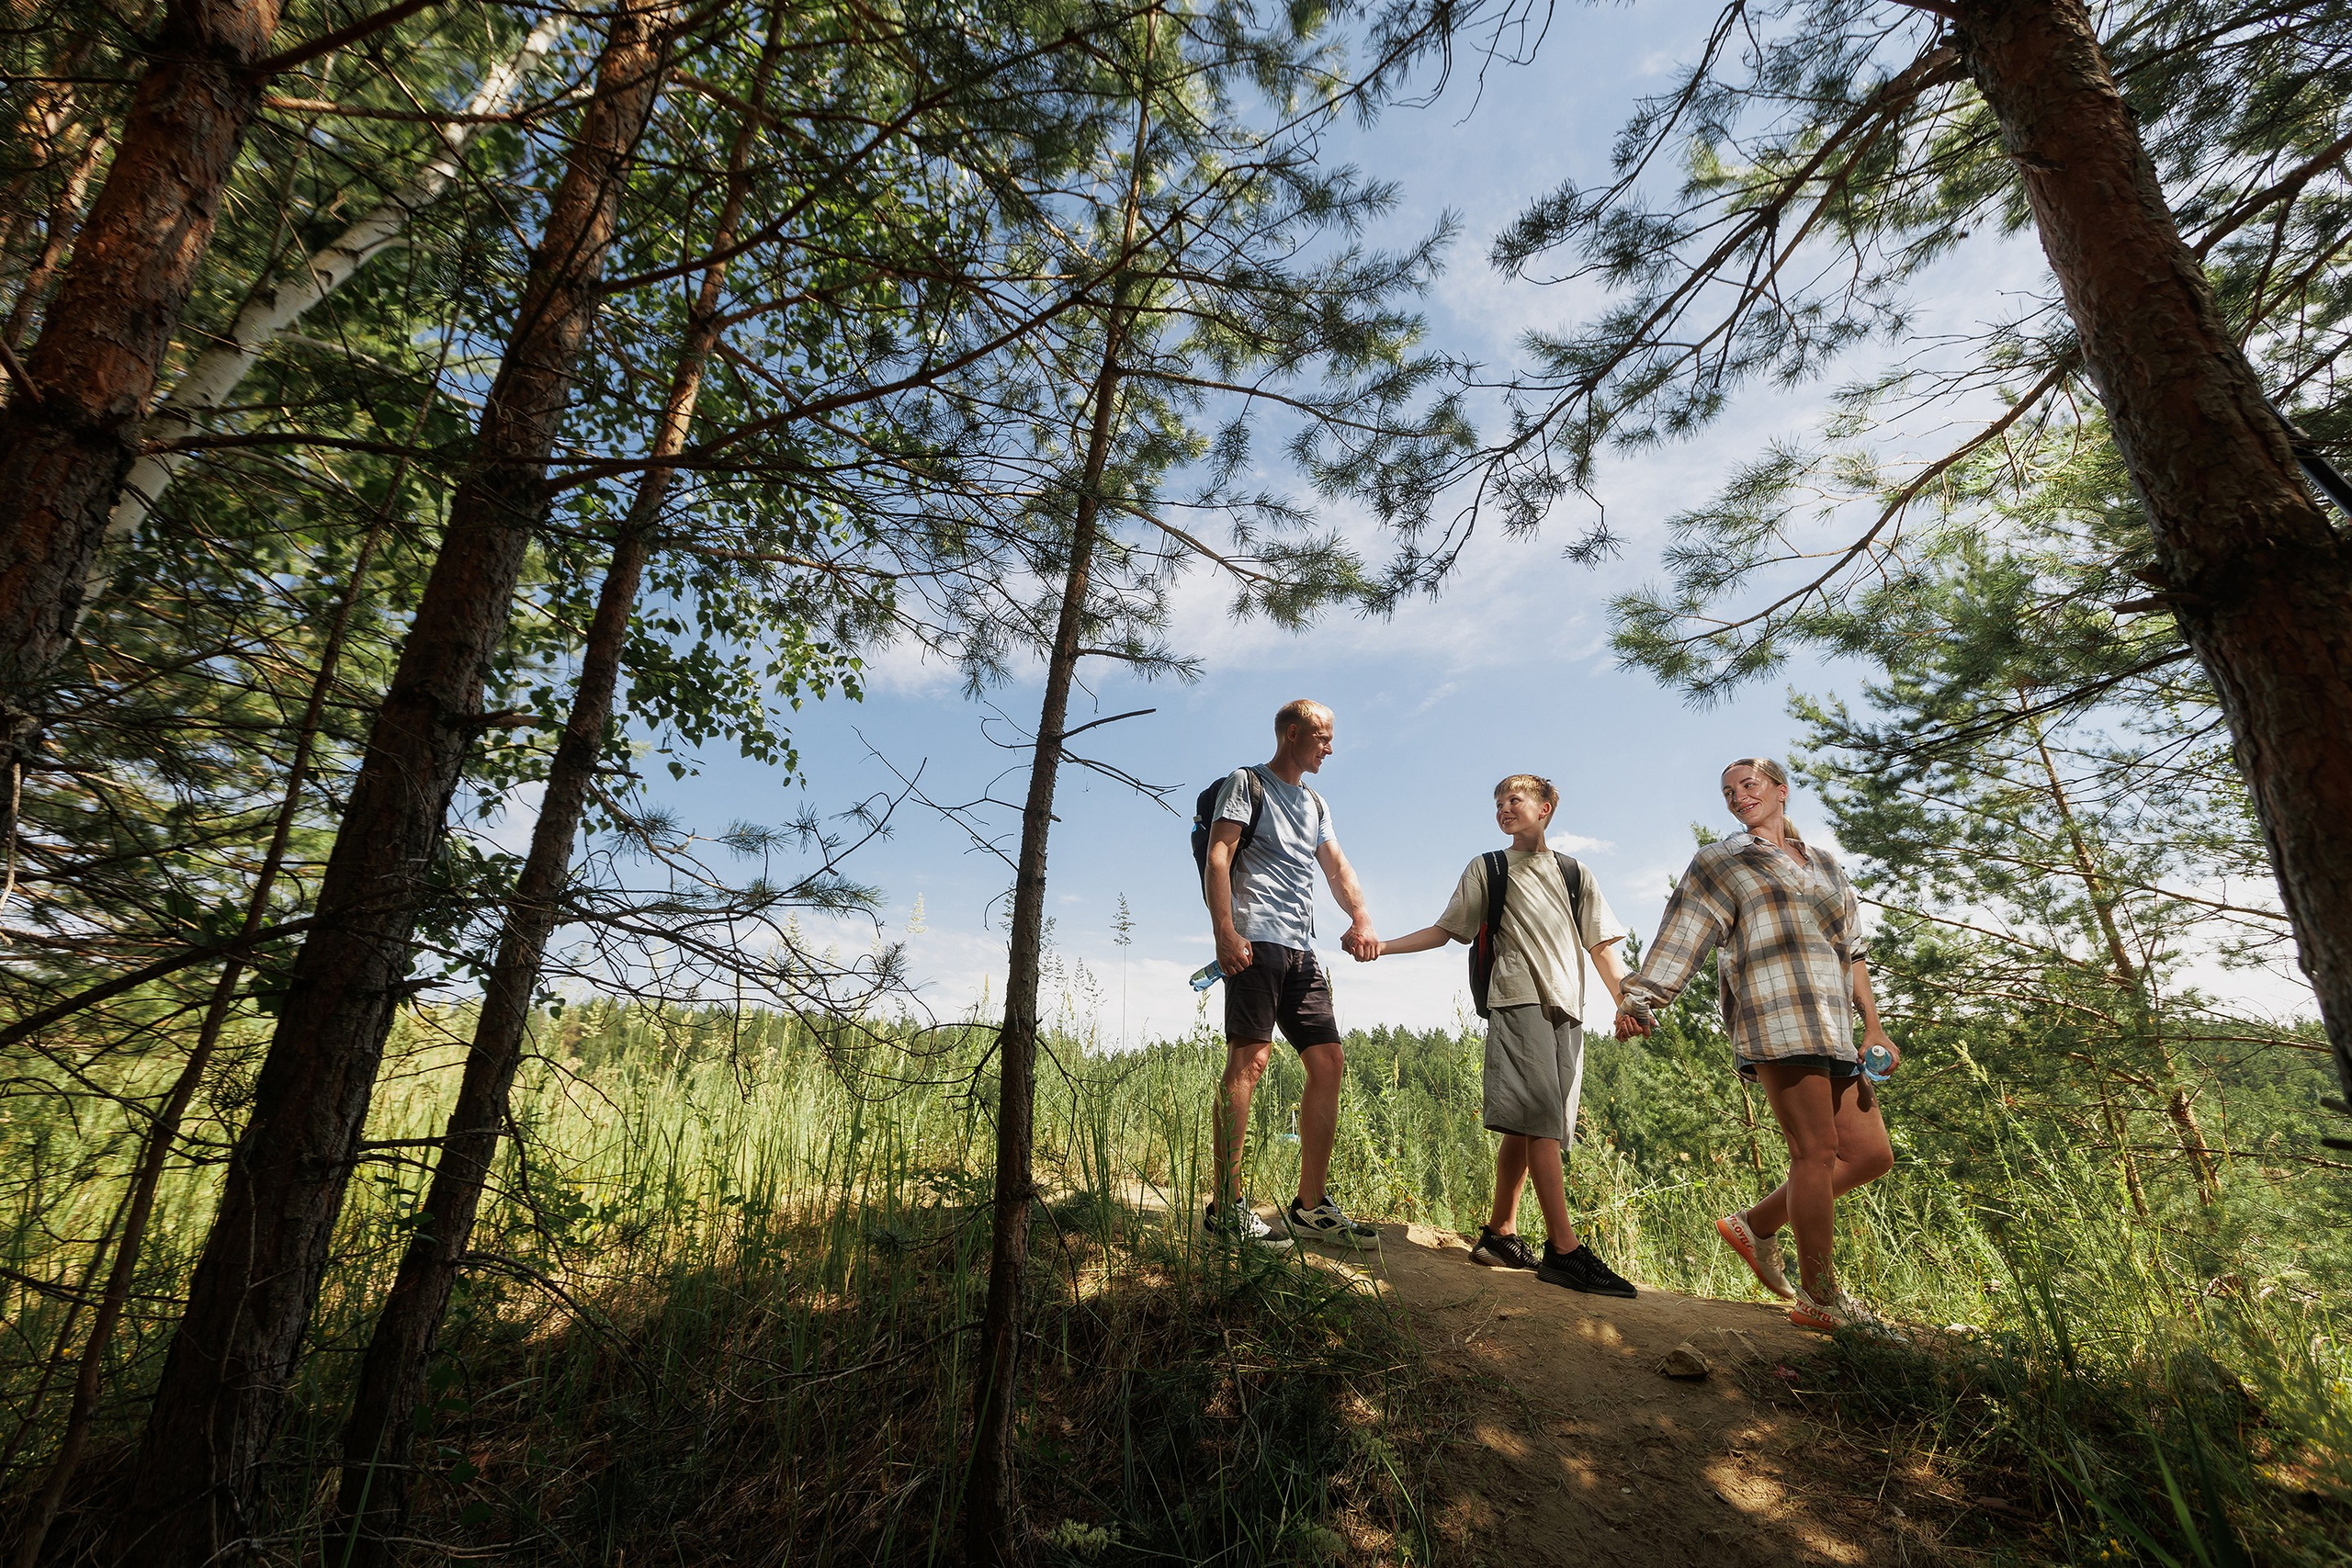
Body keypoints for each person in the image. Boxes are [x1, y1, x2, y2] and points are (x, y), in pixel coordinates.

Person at [1614, 757, 1900, 1332]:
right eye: (1727, 791)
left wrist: (1873, 1025)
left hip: (1833, 1025)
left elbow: (1854, 953)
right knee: (1815, 1154)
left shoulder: (1826, 865)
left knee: (1871, 1155)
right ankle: (1820, 1300)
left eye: (1749, 785)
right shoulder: (1723, 860)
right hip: (1774, 1015)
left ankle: (1756, 1224)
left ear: (1780, 790)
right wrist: (1642, 999)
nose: (1738, 796)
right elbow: (1685, 930)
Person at [1372, 775, 1639, 1296]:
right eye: (1497, 803)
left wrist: (1627, 1000)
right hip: (1517, 1000)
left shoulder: (1574, 873)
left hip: (1569, 1006)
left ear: (1546, 807)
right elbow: (1447, 930)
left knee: (1530, 1120)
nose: (1504, 809)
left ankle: (1500, 1233)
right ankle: (1564, 1251)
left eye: (1514, 800)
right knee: (1543, 1119)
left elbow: (1603, 948)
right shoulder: (1489, 868)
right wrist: (1383, 946)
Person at [1202, 699, 1382, 1249]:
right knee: (1250, 1061)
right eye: (1322, 736)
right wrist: (1225, 932)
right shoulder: (1245, 783)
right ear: (1290, 733)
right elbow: (1219, 856)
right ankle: (1226, 1209)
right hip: (1254, 942)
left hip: (1301, 951)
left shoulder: (1316, 803)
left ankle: (1309, 1206)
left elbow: (1337, 866)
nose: (1330, 746)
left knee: (1328, 1061)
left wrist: (1360, 914)